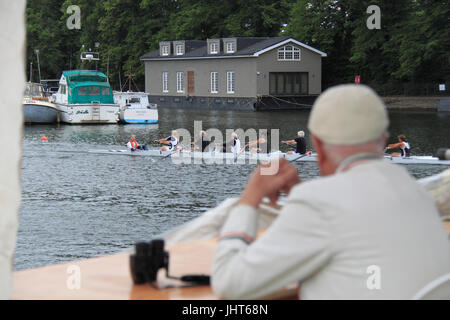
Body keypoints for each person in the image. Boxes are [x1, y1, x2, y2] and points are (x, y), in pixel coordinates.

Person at [211, 84, 450, 300]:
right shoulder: (414, 190)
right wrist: (301, 193)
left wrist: (250, 197)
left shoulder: (318, 203)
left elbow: (230, 284)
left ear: (319, 144)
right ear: (383, 138)